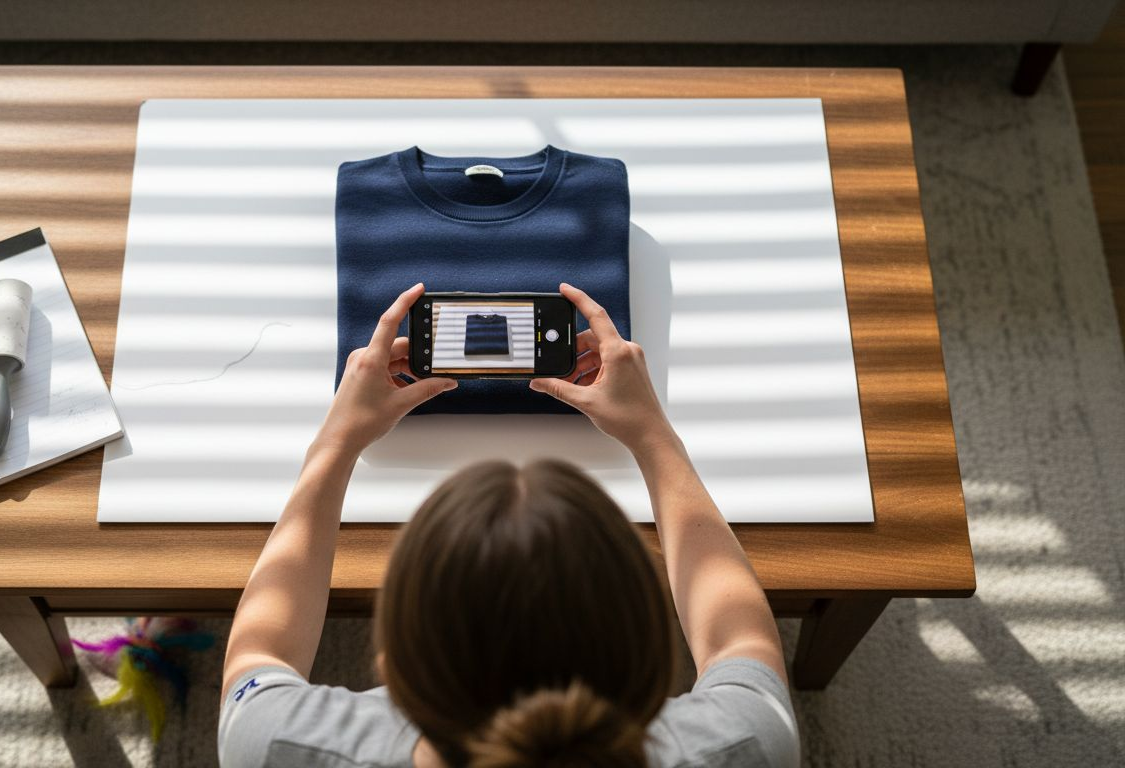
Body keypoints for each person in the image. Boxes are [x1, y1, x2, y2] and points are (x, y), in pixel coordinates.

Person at [219, 283, 799, 767]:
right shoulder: (747, 743)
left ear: (389, 661)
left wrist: (336, 442)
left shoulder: (275, 744)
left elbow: (258, 653)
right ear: (655, 658)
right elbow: (739, 642)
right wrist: (653, 436)